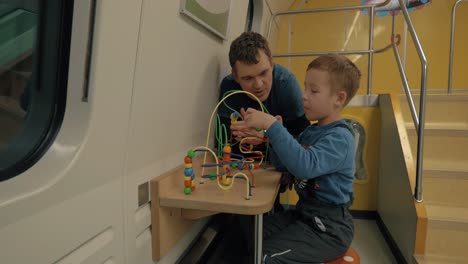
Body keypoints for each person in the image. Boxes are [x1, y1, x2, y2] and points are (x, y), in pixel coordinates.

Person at [243, 54, 361, 263]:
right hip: (303, 214)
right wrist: (271, 137)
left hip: (328, 228)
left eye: (313, 91)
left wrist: (273, 127)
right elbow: (285, 164)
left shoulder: (341, 138)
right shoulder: (310, 132)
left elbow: (305, 165)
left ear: (339, 98)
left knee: (265, 256)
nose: (304, 96)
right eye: (305, 88)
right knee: (251, 233)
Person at [216, 31, 309, 151]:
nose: (258, 85)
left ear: (272, 64)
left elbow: (306, 144)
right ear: (235, 76)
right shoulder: (229, 87)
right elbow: (222, 144)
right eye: (248, 78)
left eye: (263, 73)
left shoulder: (286, 83)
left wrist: (267, 135)